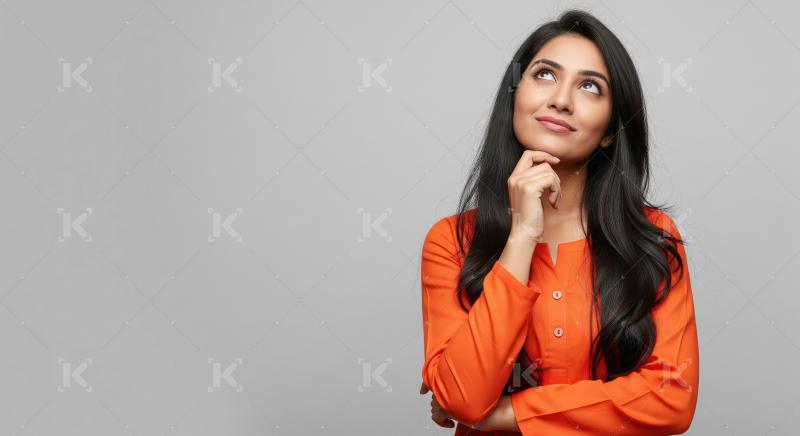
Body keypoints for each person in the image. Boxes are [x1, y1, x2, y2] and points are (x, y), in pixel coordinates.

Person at [418, 9, 699, 435]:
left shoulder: (651, 238)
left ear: (609, 131)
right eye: (545, 75)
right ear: (515, 95)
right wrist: (522, 235)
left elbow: (671, 398)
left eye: (590, 86)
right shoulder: (452, 242)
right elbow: (463, 397)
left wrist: (505, 415)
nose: (561, 99)